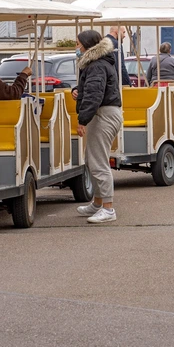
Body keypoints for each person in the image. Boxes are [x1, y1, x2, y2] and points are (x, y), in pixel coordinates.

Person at [73, 31, 124, 223]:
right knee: (92, 159)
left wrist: (82, 120)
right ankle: (98, 203)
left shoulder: (96, 65)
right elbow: (92, 89)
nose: (76, 48)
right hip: (105, 113)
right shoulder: (98, 64)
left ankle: (108, 209)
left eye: (78, 44)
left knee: (98, 162)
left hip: (102, 115)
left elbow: (94, 95)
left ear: (87, 45)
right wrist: (77, 91)